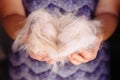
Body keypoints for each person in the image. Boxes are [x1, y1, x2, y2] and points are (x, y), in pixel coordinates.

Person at [0, 0, 119, 80]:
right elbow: (11, 13)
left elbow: (109, 11)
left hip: (89, 71)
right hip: (29, 69)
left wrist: (96, 36)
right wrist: (27, 35)